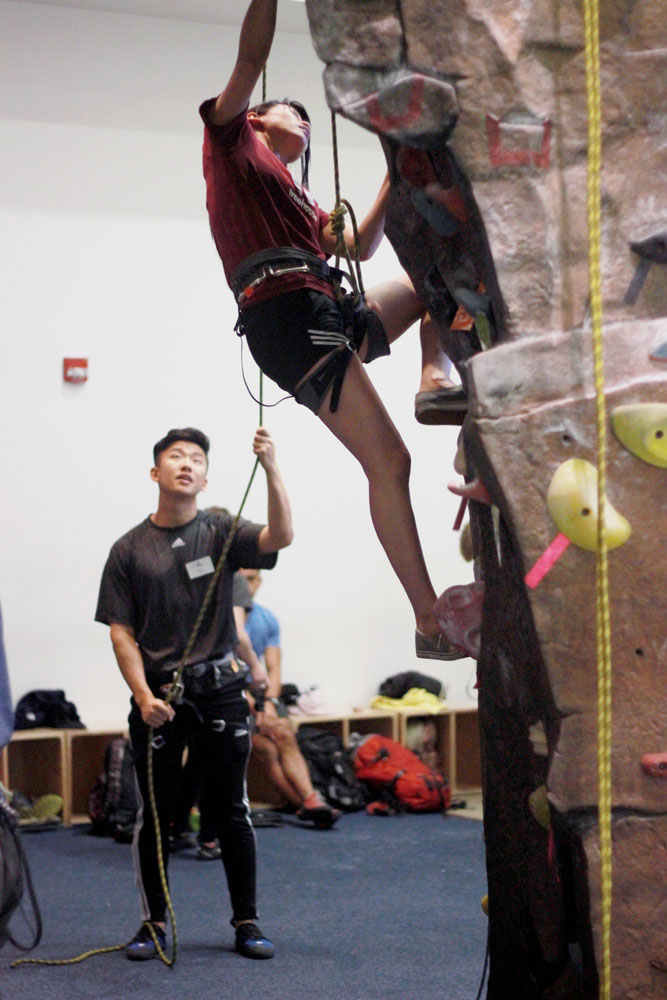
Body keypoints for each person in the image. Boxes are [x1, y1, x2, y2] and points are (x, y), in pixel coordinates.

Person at [199, 0, 466, 662]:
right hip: (284, 314)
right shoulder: (232, 143)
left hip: (324, 306)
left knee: (427, 282)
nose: (307, 125)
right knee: (390, 461)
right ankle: (427, 617)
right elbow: (251, 59)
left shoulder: (296, 197)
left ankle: (436, 375)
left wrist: (393, 165)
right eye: (298, 114)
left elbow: (357, 244)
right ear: (259, 118)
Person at [95, 425, 293, 962]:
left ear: (206, 478)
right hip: (159, 699)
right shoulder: (128, 550)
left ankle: (247, 922)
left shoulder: (222, 530)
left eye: (197, 459)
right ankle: (153, 923)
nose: (187, 464)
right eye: (176, 457)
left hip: (222, 691)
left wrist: (272, 468)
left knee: (230, 809)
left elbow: (280, 538)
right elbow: (120, 630)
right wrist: (142, 697)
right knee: (156, 815)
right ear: (156, 473)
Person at [233, 569, 340, 828]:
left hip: (259, 693)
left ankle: (311, 802)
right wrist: (250, 703)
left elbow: (274, 668)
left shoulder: (266, 618)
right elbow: (227, 664)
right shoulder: (224, 618)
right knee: (266, 748)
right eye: (243, 579)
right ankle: (305, 804)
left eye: (253, 579)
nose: (249, 584)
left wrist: (269, 703)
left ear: (259, 582)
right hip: (231, 694)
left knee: (284, 732)